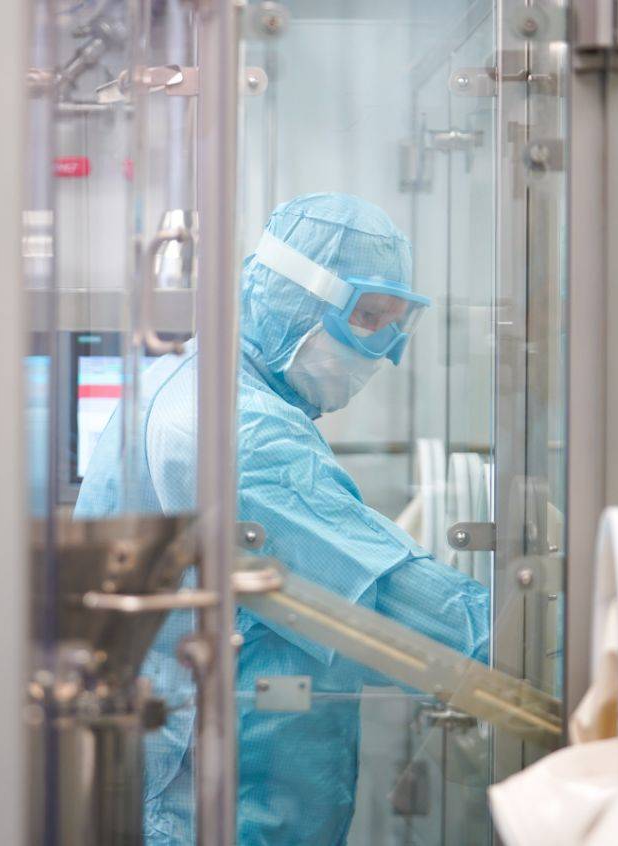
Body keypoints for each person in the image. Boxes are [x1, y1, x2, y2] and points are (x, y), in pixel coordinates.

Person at [74, 193, 489, 844]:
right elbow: (376, 594)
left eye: (393, 324)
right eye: (367, 317)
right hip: (204, 805)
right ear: (294, 298)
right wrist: (540, 647)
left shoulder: (198, 380)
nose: (382, 351)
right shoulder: (240, 427)